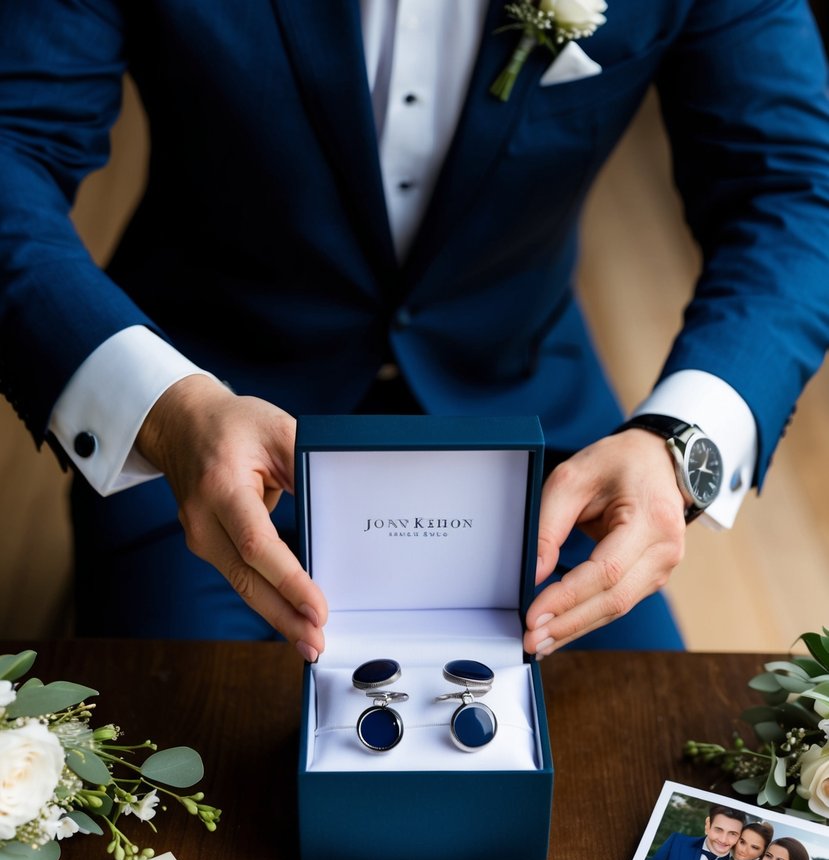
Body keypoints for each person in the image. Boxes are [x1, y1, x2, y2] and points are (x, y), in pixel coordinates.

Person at [2, 4, 829, 648]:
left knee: (628, 768)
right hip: (201, 418)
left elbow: (793, 188)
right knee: (178, 769)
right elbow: (13, 147)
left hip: (536, 432)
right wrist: (162, 409)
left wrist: (681, 445)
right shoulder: (181, 423)